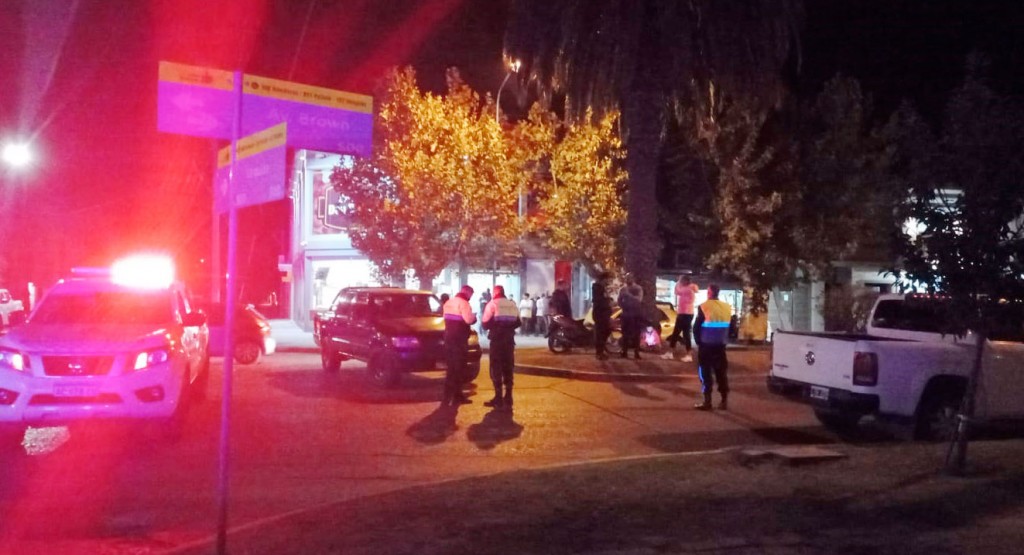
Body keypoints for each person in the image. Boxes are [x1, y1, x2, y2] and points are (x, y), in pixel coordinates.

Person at [693, 283, 732, 410]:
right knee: (721, 373)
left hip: (706, 345)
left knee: (705, 373)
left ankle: (707, 401)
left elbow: (696, 327)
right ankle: (724, 401)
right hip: (720, 346)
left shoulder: (704, 306)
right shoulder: (726, 307)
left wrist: (699, 342)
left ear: (709, 293)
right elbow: (731, 328)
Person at [481, 285, 520, 410]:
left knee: (496, 368)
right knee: (508, 368)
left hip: (497, 342)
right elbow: (518, 322)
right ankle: (508, 397)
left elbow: (485, 323)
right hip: (509, 341)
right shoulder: (512, 304)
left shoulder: (492, 304)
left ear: (495, 292)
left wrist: (496, 325)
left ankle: (498, 398)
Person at [442, 285, 476, 407]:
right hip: (459, 340)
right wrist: (474, 317)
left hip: (448, 339)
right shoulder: (464, 303)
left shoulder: (448, 303)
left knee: (451, 368)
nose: (470, 297)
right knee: (459, 368)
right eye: (471, 294)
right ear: (468, 293)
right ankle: (457, 395)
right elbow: (468, 320)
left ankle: (447, 396)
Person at [665, 275, 699, 362]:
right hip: (687, 313)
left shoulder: (687, 289)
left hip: (684, 313)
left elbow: (677, 291)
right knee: (684, 334)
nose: (680, 282)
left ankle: (674, 353)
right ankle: (685, 354)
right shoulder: (690, 288)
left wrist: (678, 282)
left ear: (685, 281)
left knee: (679, 333)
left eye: (681, 280)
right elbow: (678, 292)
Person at [617, 277, 644, 359]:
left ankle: (636, 352)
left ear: (633, 279)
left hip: (636, 314)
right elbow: (619, 300)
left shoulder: (638, 288)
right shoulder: (623, 289)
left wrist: (628, 295)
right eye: (627, 278)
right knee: (625, 333)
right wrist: (623, 306)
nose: (628, 280)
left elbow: (639, 299)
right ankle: (624, 351)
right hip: (626, 314)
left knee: (636, 334)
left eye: (630, 278)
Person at [591, 272, 612, 360]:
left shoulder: (602, 288)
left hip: (604, 314)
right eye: (607, 279)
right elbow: (599, 301)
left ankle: (601, 351)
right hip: (600, 314)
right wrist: (607, 300)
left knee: (605, 331)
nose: (608, 281)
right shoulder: (597, 288)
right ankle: (599, 352)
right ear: (603, 279)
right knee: (600, 333)